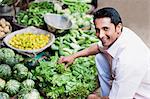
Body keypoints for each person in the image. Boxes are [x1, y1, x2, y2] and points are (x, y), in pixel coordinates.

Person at [58, 7, 150, 99]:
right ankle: (108, 95)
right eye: (98, 30)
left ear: (118, 27)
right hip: (132, 84)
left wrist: (96, 98)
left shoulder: (127, 62)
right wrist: (73, 56)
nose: (101, 35)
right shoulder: (121, 33)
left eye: (105, 29)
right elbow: (98, 47)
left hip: (143, 95)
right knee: (100, 57)